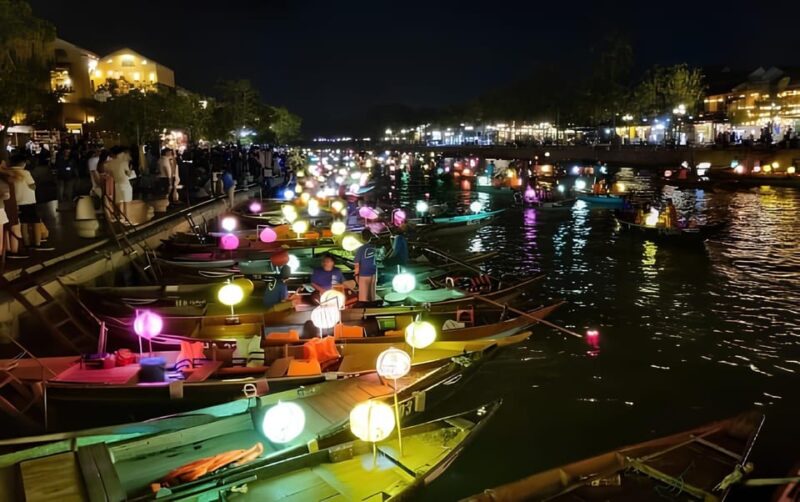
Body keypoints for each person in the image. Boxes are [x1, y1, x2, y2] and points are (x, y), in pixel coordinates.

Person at [6, 154, 51, 252]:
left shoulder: (9, 172)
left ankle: (26, 243)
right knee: (35, 221)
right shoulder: (25, 172)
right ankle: (37, 243)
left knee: (23, 223)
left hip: (17, 202)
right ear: (23, 163)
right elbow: (32, 186)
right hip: (28, 201)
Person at [105, 146, 133, 218]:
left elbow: (110, 174)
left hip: (117, 184)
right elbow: (129, 174)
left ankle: (121, 217)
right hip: (125, 184)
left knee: (120, 202)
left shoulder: (108, 163)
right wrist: (130, 169)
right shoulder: (123, 162)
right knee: (126, 202)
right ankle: (126, 218)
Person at [353, 229, 378, 303]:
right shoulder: (374, 247)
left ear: (361, 237)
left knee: (363, 298)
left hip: (364, 274)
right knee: (372, 296)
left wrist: (356, 275)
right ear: (370, 237)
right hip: (373, 274)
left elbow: (357, 264)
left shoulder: (360, 249)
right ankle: (373, 310)